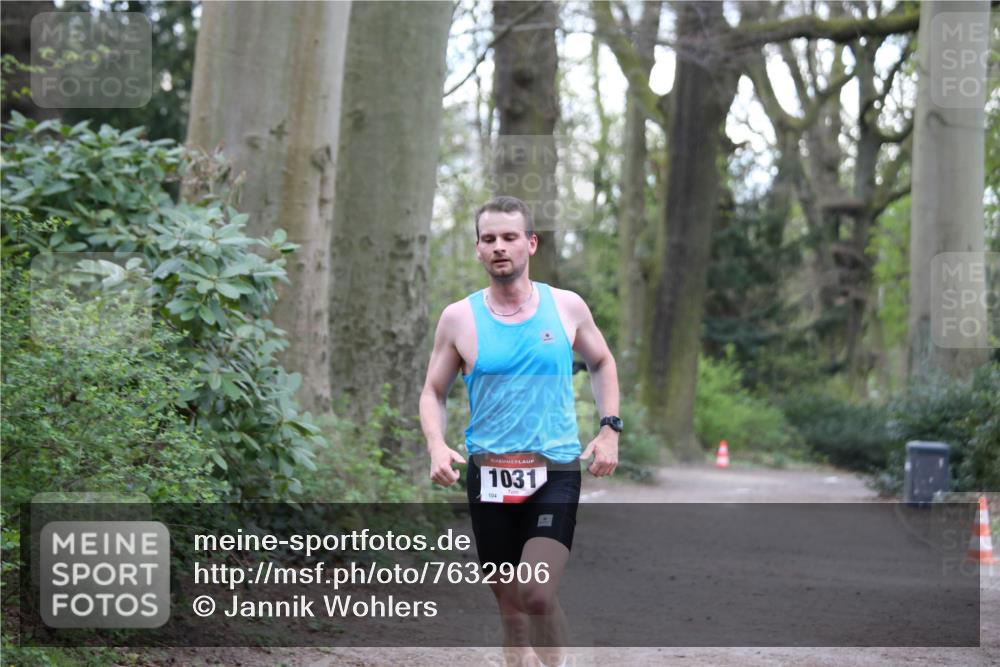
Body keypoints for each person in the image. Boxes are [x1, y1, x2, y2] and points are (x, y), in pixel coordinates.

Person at [419, 195, 622, 667]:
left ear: (530, 243)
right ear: (477, 249)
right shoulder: (459, 318)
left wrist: (609, 429)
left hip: (554, 470)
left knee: (535, 593)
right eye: (488, 239)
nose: (499, 247)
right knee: (511, 614)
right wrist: (435, 445)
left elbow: (602, 360)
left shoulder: (566, 306)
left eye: (510, 237)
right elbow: (433, 391)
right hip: (488, 474)